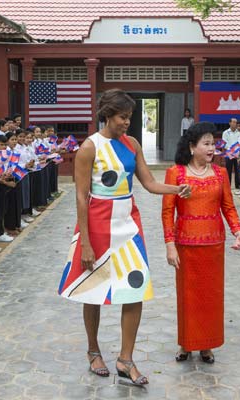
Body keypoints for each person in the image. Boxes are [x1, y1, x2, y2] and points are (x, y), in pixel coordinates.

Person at [57, 89, 190, 385]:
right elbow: (80, 197)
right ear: (107, 115)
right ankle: (93, 351)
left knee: (135, 289)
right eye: (122, 117)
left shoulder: (132, 144)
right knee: (92, 290)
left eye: (129, 117)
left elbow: (150, 183)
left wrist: (176, 189)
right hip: (97, 224)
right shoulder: (89, 148)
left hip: (129, 224)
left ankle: (125, 358)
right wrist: (86, 243)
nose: (127, 122)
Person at [163, 121, 240, 364]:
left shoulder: (220, 173)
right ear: (192, 147)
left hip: (213, 244)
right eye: (206, 144)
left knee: (211, 296)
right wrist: (170, 244)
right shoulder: (175, 173)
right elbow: (168, 212)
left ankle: (207, 345)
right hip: (186, 244)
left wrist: (238, 231)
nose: (212, 148)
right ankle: (186, 344)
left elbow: (227, 206)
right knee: (188, 297)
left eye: (214, 144)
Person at [222, 118, 240, 194]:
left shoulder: (239, 133)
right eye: (233, 122)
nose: (235, 124)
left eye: (236, 122)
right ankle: (228, 185)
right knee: (228, 170)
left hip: (237, 153)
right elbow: (224, 143)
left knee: (237, 169)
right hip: (229, 153)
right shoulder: (225, 132)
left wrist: (236, 150)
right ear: (229, 123)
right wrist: (231, 149)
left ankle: (237, 185)